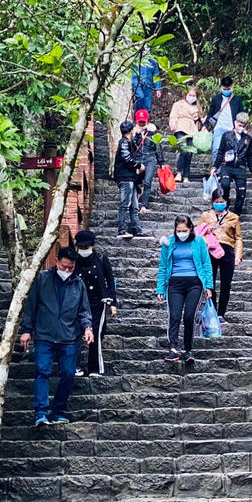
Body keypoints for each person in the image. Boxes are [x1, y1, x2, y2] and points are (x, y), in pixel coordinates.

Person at [20, 247, 95, 426]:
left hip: (69, 336)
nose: (67, 270)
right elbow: (31, 306)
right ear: (57, 261)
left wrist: (87, 328)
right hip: (45, 335)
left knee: (69, 373)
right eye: (65, 266)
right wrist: (26, 330)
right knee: (42, 371)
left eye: (71, 267)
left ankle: (58, 410)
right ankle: (41, 412)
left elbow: (84, 310)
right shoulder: (42, 279)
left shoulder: (78, 283)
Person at [156, 215, 214, 364]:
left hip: (194, 282)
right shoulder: (168, 242)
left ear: (191, 229)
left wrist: (208, 286)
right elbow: (163, 266)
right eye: (178, 230)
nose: (181, 233)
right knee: (174, 315)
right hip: (175, 283)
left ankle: (188, 350)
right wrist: (160, 288)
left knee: (189, 316)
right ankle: (173, 348)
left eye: (184, 230)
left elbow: (206, 264)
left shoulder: (199, 241)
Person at [73, 230, 117, 376]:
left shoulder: (101, 258)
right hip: (77, 302)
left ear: (92, 246)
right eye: (81, 248)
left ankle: (95, 367)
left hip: (98, 300)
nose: (84, 251)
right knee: (76, 332)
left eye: (86, 248)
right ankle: (75, 365)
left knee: (97, 332)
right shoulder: (73, 260)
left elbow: (110, 280)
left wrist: (113, 303)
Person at [196, 189, 243, 324]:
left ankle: (221, 313)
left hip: (227, 250)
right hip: (210, 250)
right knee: (210, 282)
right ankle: (213, 310)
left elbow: (238, 238)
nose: (219, 204)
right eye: (216, 202)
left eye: (222, 202)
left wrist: (238, 255)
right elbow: (198, 233)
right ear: (212, 202)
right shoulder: (206, 215)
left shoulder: (233, 217)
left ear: (226, 202)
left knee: (226, 283)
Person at [211, 111, 252, 215]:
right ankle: (225, 207)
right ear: (235, 122)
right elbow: (220, 152)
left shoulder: (247, 139)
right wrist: (215, 166)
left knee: (241, 192)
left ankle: (236, 215)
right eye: (239, 125)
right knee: (225, 185)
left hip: (240, 167)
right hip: (227, 166)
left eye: (243, 126)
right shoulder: (226, 136)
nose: (240, 127)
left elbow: (250, 156)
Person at [112, 120, 148, 239]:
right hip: (125, 177)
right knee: (125, 203)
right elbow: (127, 158)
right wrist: (138, 165)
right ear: (131, 130)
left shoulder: (128, 142)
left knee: (134, 205)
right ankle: (122, 229)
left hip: (130, 178)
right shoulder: (124, 143)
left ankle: (136, 229)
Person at [169, 84, 205, 183]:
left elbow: (201, 119)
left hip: (192, 130)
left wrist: (204, 126)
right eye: (190, 95)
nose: (192, 97)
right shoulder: (178, 104)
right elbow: (173, 116)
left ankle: (186, 175)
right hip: (180, 127)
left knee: (189, 152)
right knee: (183, 149)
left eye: (194, 96)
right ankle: (179, 172)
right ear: (185, 95)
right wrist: (173, 124)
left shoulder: (197, 107)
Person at [132, 109, 164, 213]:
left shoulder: (152, 131)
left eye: (143, 121)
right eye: (139, 121)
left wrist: (161, 162)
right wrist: (136, 135)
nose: (141, 123)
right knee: (134, 180)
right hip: (137, 159)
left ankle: (143, 206)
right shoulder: (133, 131)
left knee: (147, 182)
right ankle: (138, 192)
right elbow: (132, 147)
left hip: (149, 158)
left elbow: (157, 146)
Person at [204, 76, 243, 164]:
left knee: (231, 152)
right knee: (216, 151)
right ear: (221, 87)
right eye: (224, 89)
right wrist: (205, 125)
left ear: (232, 87)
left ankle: (228, 173)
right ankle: (216, 172)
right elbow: (211, 113)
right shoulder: (216, 99)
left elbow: (241, 115)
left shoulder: (237, 100)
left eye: (228, 89)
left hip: (231, 129)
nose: (226, 91)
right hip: (218, 128)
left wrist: (242, 127)